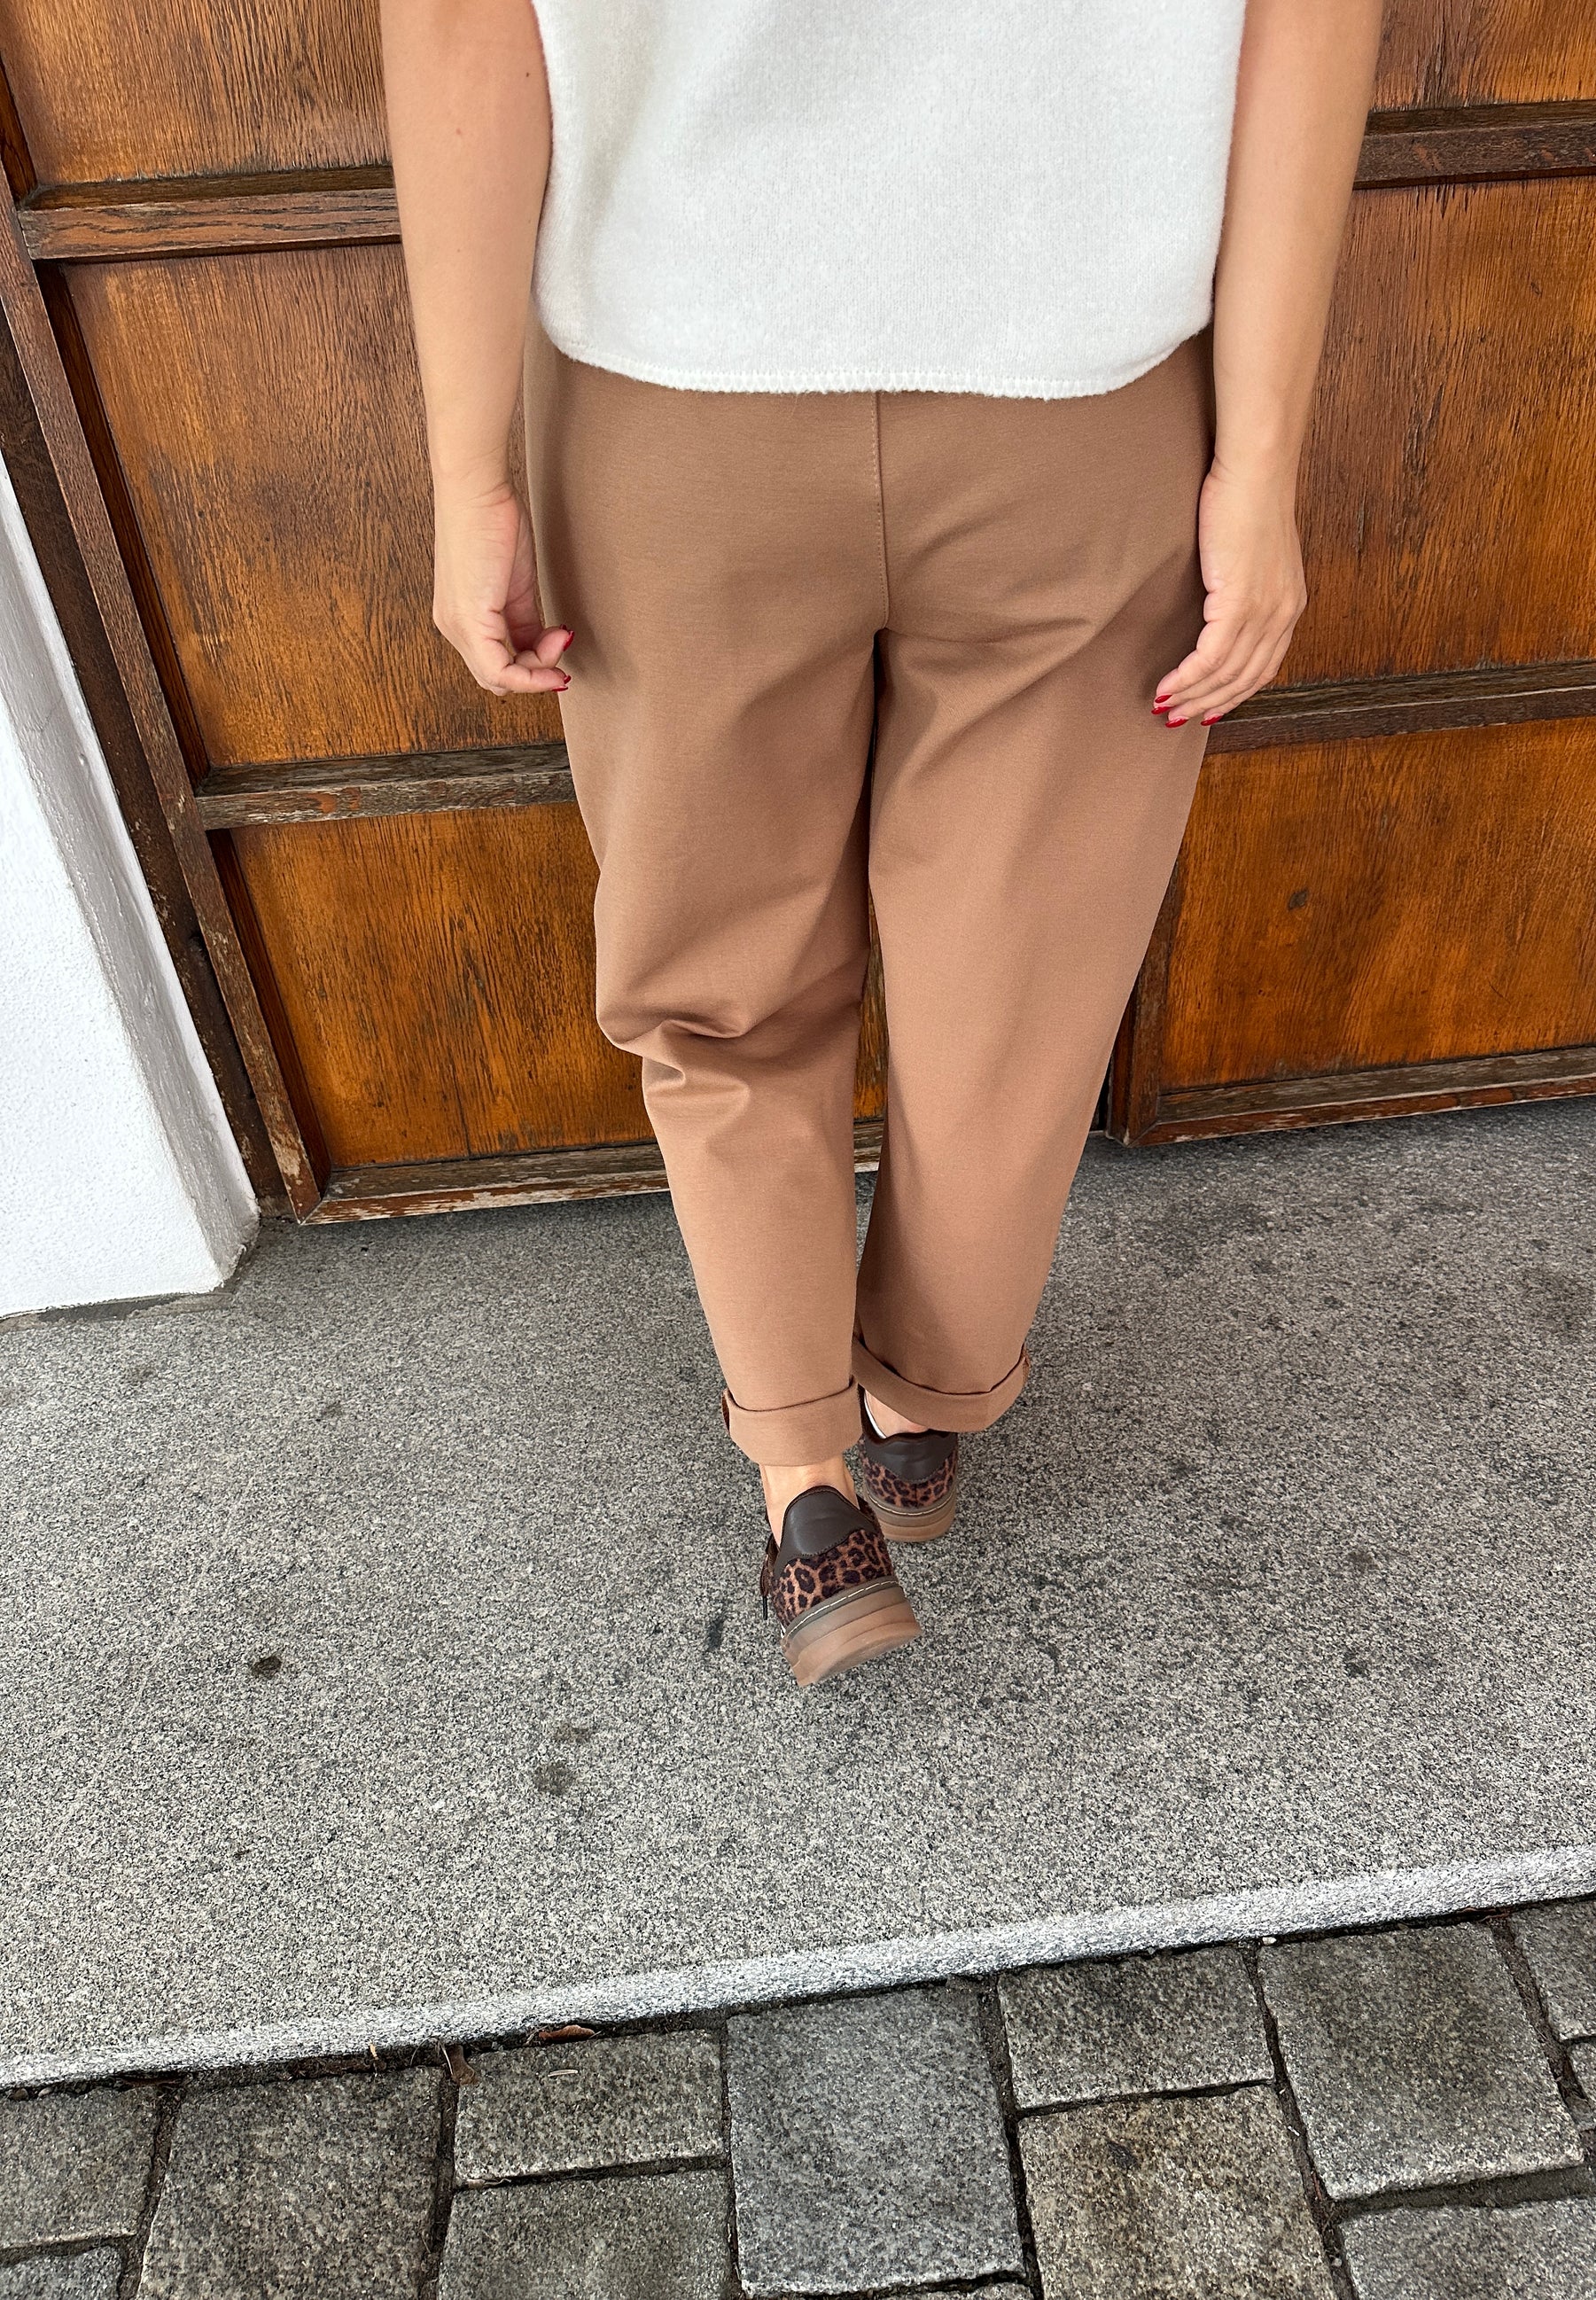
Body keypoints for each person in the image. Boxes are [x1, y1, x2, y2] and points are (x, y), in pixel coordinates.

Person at [380, 0, 1385, 1687]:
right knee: (1017, 978)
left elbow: (462, 28)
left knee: (719, 976)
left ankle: (804, 1483)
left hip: (677, 402)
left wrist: (466, 469)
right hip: (1079, 396)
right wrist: (1260, 458)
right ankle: (921, 1401)